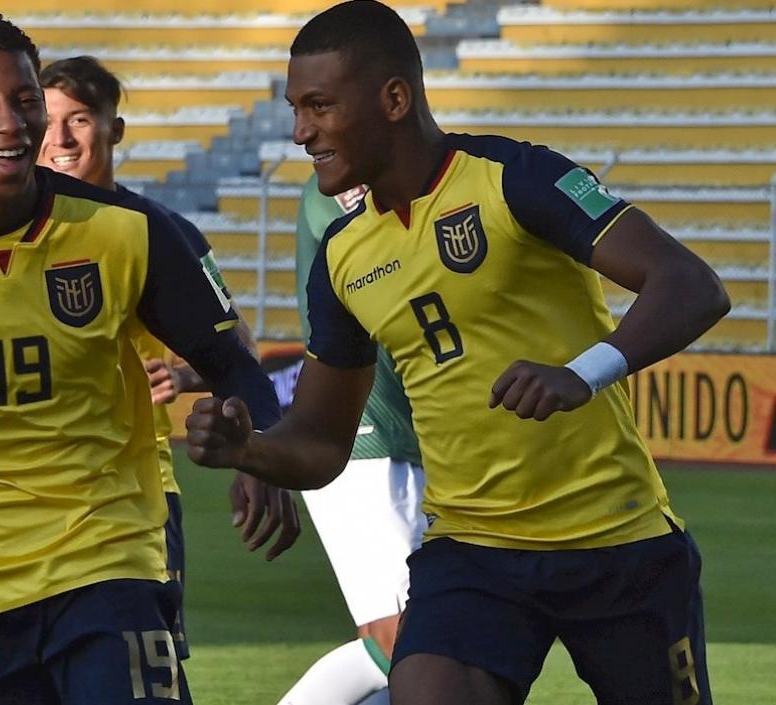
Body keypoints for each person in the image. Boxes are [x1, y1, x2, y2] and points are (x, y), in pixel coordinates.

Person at [187, 2, 726, 704]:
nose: (300, 132)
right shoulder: (343, 255)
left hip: (616, 538)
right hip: (472, 553)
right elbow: (321, 441)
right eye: (295, 109)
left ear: (394, 99)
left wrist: (582, 372)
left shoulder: (513, 177)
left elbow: (692, 284)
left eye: (318, 106)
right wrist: (248, 447)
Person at [0, 15, 282, 705]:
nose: (13, 123)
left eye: (25, 100)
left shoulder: (128, 231)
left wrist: (260, 449)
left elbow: (230, 360)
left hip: (107, 560)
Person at [37, 54, 302, 660]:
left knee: (142, 678)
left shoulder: (165, 232)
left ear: (114, 129)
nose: (62, 138)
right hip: (24, 495)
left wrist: (189, 378)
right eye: (49, 120)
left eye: (79, 119)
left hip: (135, 497)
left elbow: (239, 350)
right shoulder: (9, 232)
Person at [276, 173, 425, 705]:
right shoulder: (336, 190)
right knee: (406, 642)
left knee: (423, 647)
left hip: (402, 435)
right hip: (363, 437)